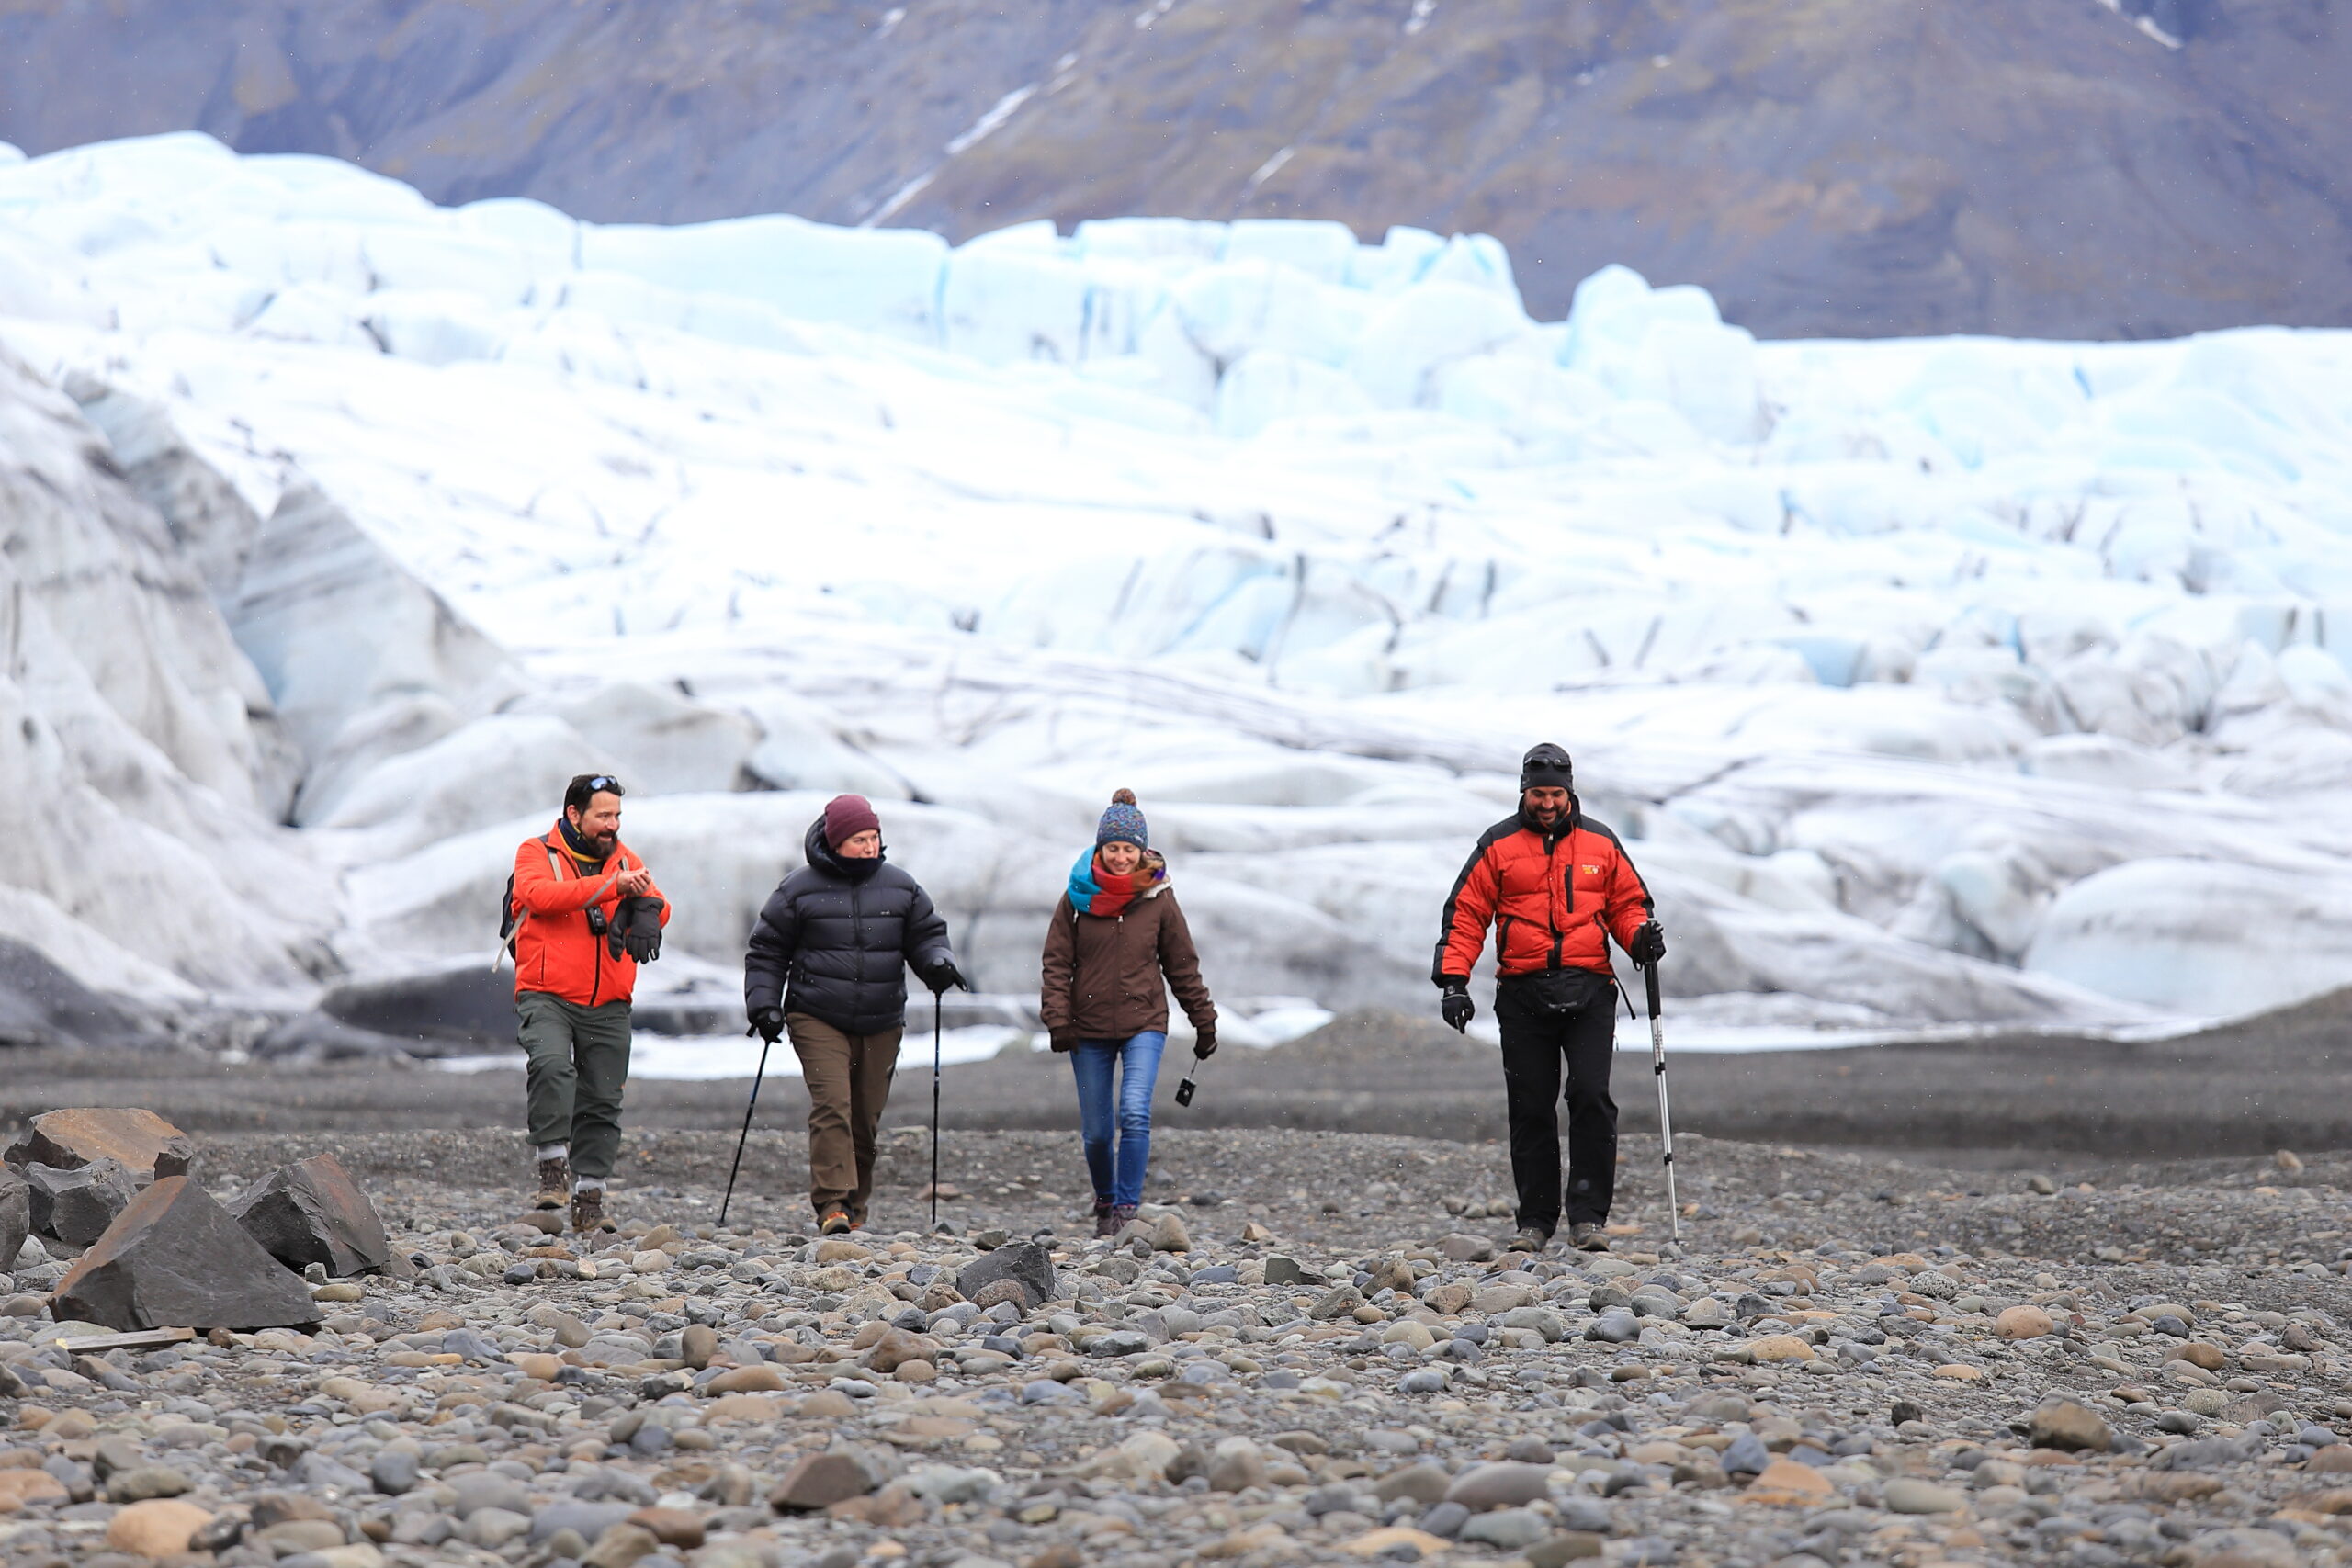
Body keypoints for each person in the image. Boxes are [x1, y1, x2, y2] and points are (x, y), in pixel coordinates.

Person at [1432, 743, 1664, 1255]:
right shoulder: (1498, 845)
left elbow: (1627, 904)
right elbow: (1466, 915)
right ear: (1524, 790)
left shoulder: (1601, 844)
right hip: (1522, 996)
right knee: (1531, 1108)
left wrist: (1640, 938)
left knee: (1591, 1098)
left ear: (1569, 792)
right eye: (1538, 793)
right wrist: (1454, 981)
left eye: (1556, 793)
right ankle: (1534, 1222)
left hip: (1590, 993)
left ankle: (1589, 1219)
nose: (1547, 802)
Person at [743, 794, 965, 1235]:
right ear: (835, 840)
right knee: (832, 1106)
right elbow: (767, 951)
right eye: (859, 839)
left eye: (874, 837)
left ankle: (856, 1205)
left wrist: (938, 962)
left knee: (865, 1117)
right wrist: (764, 1005)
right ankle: (832, 1205)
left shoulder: (901, 886)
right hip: (815, 1013)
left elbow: (926, 936)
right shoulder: (797, 889)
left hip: (882, 1018)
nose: (869, 846)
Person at [1040, 790, 1217, 1238]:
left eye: (1128, 849)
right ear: (1100, 849)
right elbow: (1057, 963)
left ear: (1142, 851)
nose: (1121, 857)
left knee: (1135, 1113)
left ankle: (1125, 1207)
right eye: (1113, 848)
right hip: (1088, 1027)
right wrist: (1057, 1018)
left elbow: (1181, 966)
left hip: (1144, 1023)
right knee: (1098, 1132)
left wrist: (1203, 1019)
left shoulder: (1158, 898)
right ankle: (1104, 1199)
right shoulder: (1077, 898)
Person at [508, 773, 668, 1234]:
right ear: (574, 814)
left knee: (603, 1098)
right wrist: (615, 888)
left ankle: (590, 1195)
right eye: (603, 815)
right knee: (553, 1065)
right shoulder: (537, 852)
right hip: (547, 993)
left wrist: (647, 913)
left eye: (617, 815)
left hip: (610, 1000)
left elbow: (658, 899)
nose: (612, 824)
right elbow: (538, 895)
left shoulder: (623, 857)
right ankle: (553, 1164)